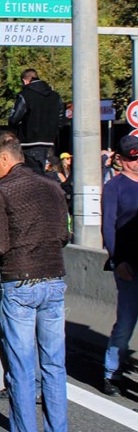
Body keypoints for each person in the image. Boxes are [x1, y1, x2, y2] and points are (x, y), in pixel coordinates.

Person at [0, 132, 70, 432]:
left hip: (19, 280)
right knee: (54, 365)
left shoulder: (0, 189)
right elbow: (63, 235)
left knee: (21, 368)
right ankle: (57, 428)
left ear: (5, 158)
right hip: (54, 277)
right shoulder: (53, 186)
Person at [101, 135, 138, 396]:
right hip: (128, 265)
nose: (136, 164)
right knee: (126, 321)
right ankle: (111, 371)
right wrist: (117, 260)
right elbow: (108, 227)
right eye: (131, 159)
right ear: (122, 160)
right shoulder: (115, 187)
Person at [7, 68, 63, 173]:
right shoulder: (55, 96)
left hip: (29, 142)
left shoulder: (25, 95)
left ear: (25, 81)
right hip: (49, 141)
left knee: (31, 174)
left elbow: (14, 119)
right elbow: (61, 119)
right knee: (45, 173)